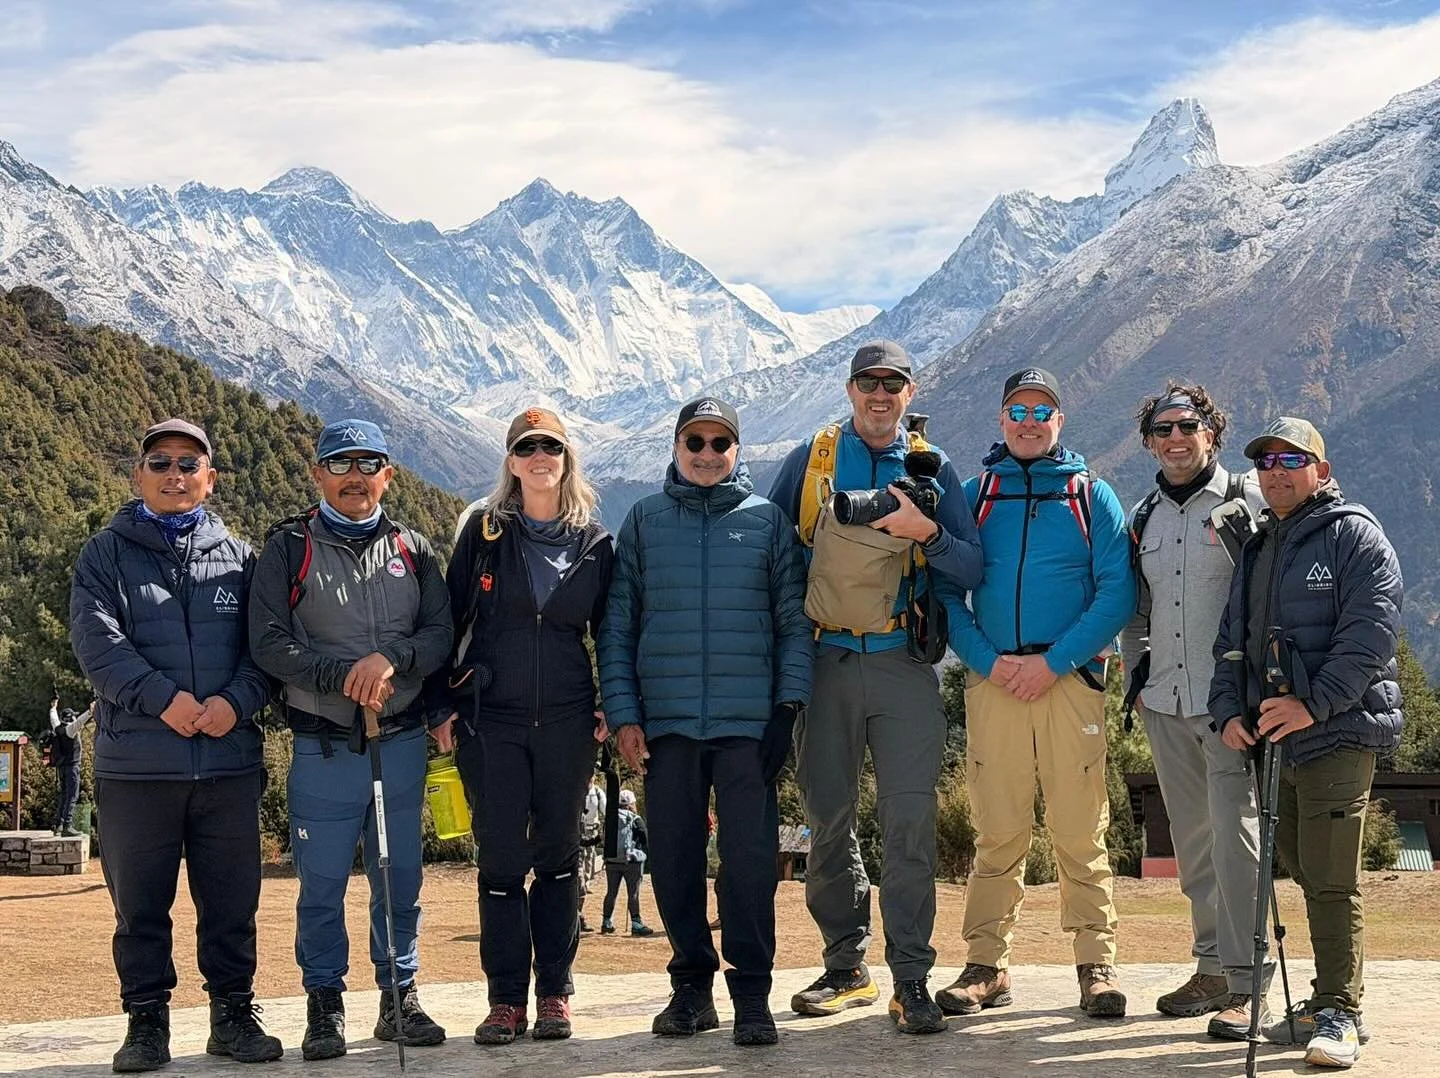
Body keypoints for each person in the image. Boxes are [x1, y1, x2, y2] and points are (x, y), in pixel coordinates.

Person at [767, 339, 983, 1034]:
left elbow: (970, 567)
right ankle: (845, 965)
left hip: (902, 664)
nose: (880, 393)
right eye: (869, 382)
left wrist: (928, 535)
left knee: (910, 825)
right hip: (825, 659)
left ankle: (911, 978)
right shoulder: (814, 460)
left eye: (894, 383)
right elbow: (771, 550)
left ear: (911, 394)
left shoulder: (932, 466)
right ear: (851, 388)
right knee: (828, 821)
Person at [69, 418, 282, 1073]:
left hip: (227, 765)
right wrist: (169, 700)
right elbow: (98, 648)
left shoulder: (245, 560)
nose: (174, 474)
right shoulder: (103, 555)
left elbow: (265, 651)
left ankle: (233, 1017)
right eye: (159, 462)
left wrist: (233, 703)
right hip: (137, 770)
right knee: (139, 910)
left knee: (231, 906)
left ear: (209, 480)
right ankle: (145, 1024)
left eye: (189, 464)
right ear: (139, 476)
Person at [600, 396, 812, 1047]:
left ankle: (752, 995)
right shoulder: (642, 522)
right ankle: (691, 989)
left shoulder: (768, 523)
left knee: (748, 864)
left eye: (721, 443)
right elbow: (617, 628)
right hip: (666, 726)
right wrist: (626, 714)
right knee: (673, 861)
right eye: (696, 441)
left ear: (737, 451)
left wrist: (787, 710)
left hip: (747, 726)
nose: (708, 454)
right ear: (677, 446)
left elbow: (793, 624)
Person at [249, 419, 452, 1062]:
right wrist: (344, 675)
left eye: (369, 464)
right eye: (341, 464)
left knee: (401, 875)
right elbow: (268, 644)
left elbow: (440, 634)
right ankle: (324, 1004)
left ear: (389, 475)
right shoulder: (289, 546)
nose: (356, 476)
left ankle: (399, 996)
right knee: (323, 883)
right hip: (324, 744)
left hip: (400, 738)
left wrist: (390, 661)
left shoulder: (414, 548)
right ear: (318, 476)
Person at [939, 368, 1135, 1019]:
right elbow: (946, 592)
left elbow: (1117, 593)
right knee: (998, 832)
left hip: (1069, 683)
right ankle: (986, 967)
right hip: (993, 683)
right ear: (1001, 420)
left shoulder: (1090, 496)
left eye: (1042, 410)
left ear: (1060, 421)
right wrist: (988, 662)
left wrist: (1054, 662)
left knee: (1082, 831)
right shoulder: (974, 496)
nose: (1028, 420)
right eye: (1017, 409)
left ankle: (1095, 966)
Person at [1209, 417, 1402, 1070]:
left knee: (1330, 876)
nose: (1276, 471)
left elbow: (1370, 639)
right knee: (1300, 864)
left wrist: (1311, 703)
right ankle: (1325, 996)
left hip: (1339, 732)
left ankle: (1341, 1012)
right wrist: (1227, 710)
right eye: (1265, 463)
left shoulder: (1355, 535)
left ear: (1321, 469)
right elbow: (1230, 640)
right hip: (1275, 740)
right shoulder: (1262, 545)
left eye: (1292, 459)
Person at [433, 407, 614, 1046]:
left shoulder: (594, 542)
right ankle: (506, 1000)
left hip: (568, 721)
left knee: (561, 860)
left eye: (552, 448)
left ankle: (555, 994)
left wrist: (611, 704)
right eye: (527, 447)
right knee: (502, 864)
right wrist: (440, 707)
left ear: (567, 460)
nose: (540, 458)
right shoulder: (483, 535)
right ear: (511, 462)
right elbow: (446, 622)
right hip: (492, 721)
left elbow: (612, 634)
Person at [1118, 384, 1272, 1035]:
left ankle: (1247, 982)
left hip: (1231, 708)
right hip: (1165, 703)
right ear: (1149, 439)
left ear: (1212, 431)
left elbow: (1276, 598)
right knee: (1193, 841)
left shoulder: (1250, 503)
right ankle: (1211, 966)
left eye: (1188, 426)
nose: (1176, 438)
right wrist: (1137, 680)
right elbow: (1137, 613)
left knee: (1238, 837)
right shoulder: (1145, 514)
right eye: (1163, 429)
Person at [601, 789, 655, 937]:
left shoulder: (610, 818)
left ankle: (606, 922)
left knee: (611, 892)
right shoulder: (635, 819)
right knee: (633, 893)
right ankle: (636, 924)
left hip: (611, 861)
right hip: (631, 861)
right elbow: (645, 839)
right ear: (632, 803)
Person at [47, 696, 92, 836]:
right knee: (73, 796)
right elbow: (80, 722)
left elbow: (53, 716)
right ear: (70, 718)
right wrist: (91, 710)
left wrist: (54, 706)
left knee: (64, 795)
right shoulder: (70, 730)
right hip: (72, 767)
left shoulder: (57, 727)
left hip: (62, 767)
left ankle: (58, 824)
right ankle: (67, 825)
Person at [579, 776, 607, 932]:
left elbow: (605, 808)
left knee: (589, 857)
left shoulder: (597, 792)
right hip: (579, 837)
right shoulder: (578, 792)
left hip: (591, 829)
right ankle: (577, 917)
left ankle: (587, 882)